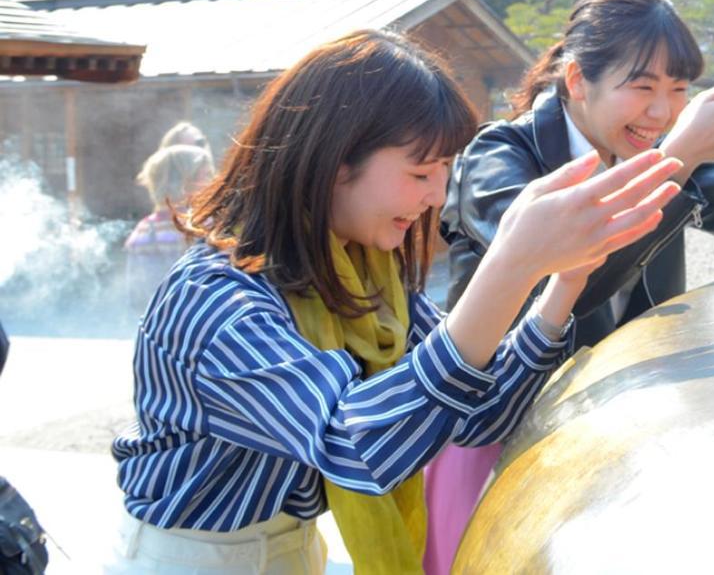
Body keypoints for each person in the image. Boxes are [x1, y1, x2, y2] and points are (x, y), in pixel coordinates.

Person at [108, 30, 682, 574]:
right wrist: (508, 267)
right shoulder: (215, 299)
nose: (436, 195)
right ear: (335, 163)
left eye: (443, 172)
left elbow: (477, 415)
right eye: (419, 172)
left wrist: (563, 284)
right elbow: (357, 450)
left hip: (288, 551)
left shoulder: (362, 278)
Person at [426, 0, 714, 570]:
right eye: (642, 86)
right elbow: (561, 281)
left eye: (678, 90)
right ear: (578, 81)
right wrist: (677, 156)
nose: (661, 111)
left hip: (617, 421)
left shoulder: (653, 150)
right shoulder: (500, 156)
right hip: (499, 425)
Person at [123, 144, 215, 310]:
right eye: (207, 174)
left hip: (158, 325)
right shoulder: (205, 225)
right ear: (184, 181)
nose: (214, 180)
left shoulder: (143, 229)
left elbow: (135, 298)